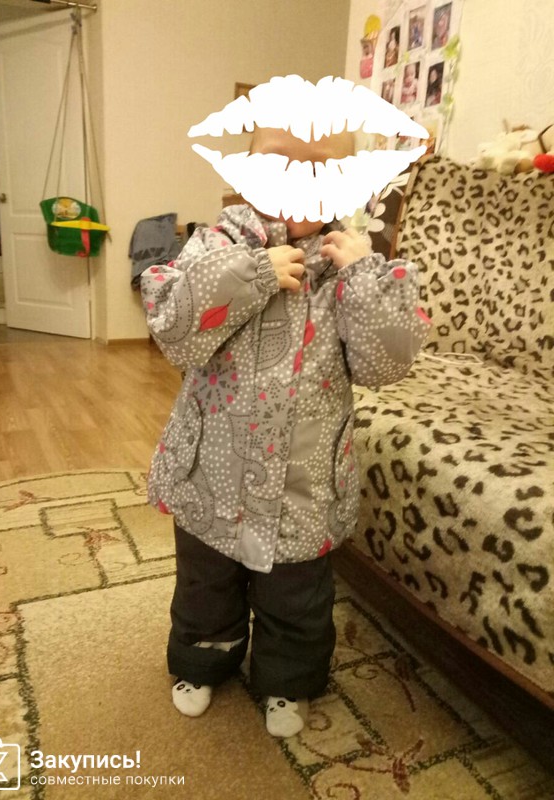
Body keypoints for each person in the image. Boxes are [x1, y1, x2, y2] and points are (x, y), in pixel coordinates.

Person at [140, 125, 431, 738]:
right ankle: (203, 661)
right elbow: (172, 328)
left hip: (304, 481)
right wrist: (250, 274)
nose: (300, 181)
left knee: (297, 596)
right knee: (206, 584)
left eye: (320, 168)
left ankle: (286, 679)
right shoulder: (215, 244)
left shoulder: (349, 262)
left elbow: (386, 366)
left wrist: (365, 278)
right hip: (211, 471)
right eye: (280, 163)